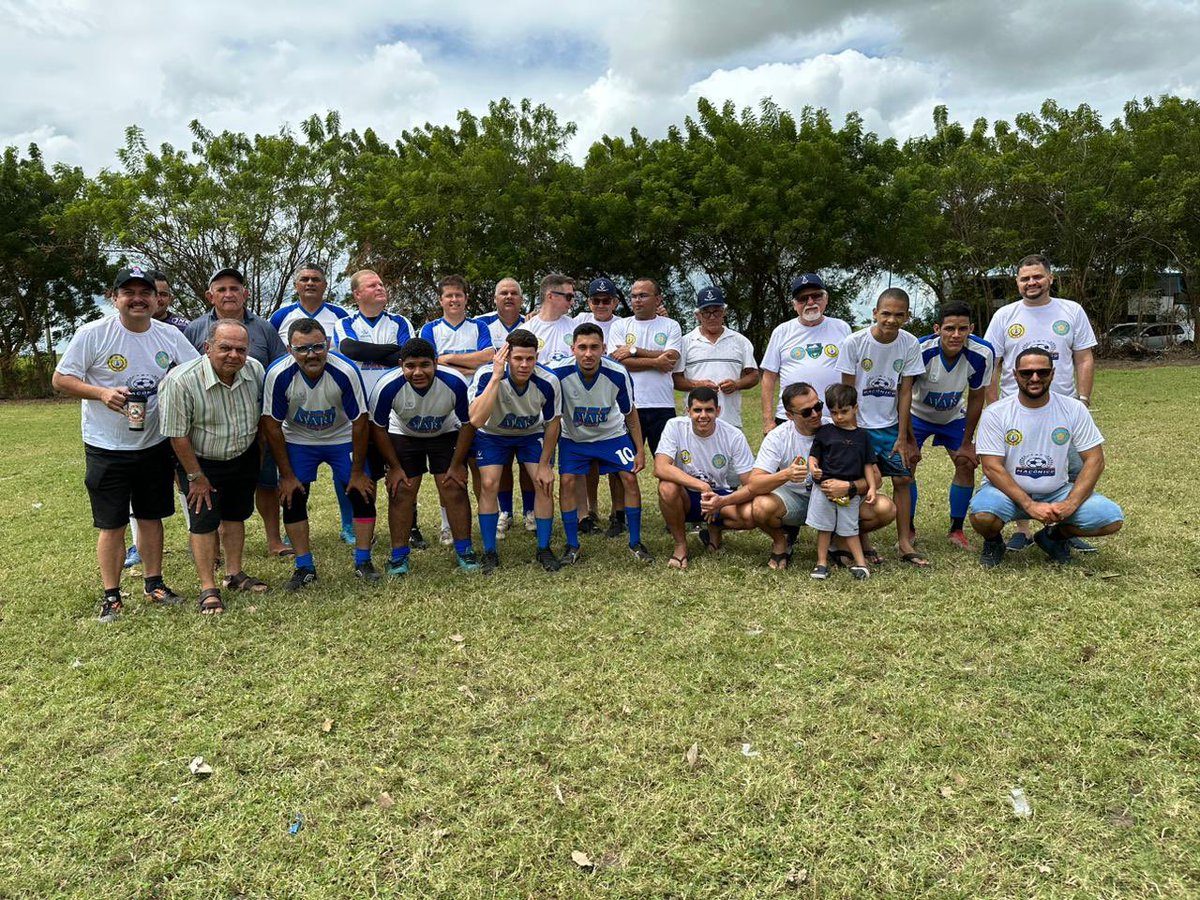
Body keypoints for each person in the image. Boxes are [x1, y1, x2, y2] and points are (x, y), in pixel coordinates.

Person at [52, 265, 200, 622]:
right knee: (112, 523)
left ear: (156, 299)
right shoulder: (93, 333)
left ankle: (154, 584)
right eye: (129, 293)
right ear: (114, 298)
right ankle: (112, 596)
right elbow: (61, 379)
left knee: (151, 517)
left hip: (154, 443)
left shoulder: (168, 335)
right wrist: (101, 393)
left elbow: (195, 371)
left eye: (145, 293)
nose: (138, 299)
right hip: (106, 446)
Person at [984, 253, 1099, 553]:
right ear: (1017, 282)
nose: (1031, 282)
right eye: (1025, 278)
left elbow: (1084, 358)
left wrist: (1082, 400)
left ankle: (1061, 529)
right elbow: (991, 363)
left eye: (1037, 276)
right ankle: (1022, 530)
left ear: (1050, 278)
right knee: (1016, 471)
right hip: (1016, 411)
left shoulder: (1071, 311)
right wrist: (994, 405)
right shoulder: (1005, 316)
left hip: (1064, 410)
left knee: (1074, 470)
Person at [969, 348, 1123, 567]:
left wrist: (1070, 503)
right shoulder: (996, 413)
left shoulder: (1074, 409)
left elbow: (1095, 460)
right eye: (1026, 373)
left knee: (1109, 519)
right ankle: (994, 542)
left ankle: (1053, 537)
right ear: (1015, 375)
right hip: (1007, 493)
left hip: (1057, 492)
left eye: (1042, 372)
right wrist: (1029, 505)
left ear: (1052, 373)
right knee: (983, 515)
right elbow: (992, 467)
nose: (1034, 378)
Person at [158, 319, 268, 613]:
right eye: (225, 348)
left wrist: (255, 458)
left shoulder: (255, 370)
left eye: (241, 349)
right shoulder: (180, 381)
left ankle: (234, 574)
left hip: (242, 455)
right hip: (200, 461)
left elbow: (261, 417)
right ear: (207, 348)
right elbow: (177, 435)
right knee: (204, 522)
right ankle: (208, 587)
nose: (234, 355)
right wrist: (195, 476)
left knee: (235, 515)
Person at [261, 320, 376, 590]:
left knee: (362, 492)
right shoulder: (277, 374)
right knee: (292, 497)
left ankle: (363, 562)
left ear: (328, 345)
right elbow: (271, 425)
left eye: (317, 347)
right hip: (299, 438)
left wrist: (357, 473)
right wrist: (287, 476)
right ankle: (304, 566)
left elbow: (360, 422)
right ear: (289, 350)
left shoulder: (345, 370)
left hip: (341, 436)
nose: (311, 355)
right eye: (302, 349)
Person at [184, 267, 290, 557]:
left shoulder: (264, 328)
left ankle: (274, 540)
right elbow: (183, 372)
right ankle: (214, 548)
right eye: (221, 289)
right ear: (210, 296)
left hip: (256, 421)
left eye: (234, 288)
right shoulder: (195, 329)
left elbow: (280, 368)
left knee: (266, 482)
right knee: (213, 487)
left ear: (246, 293)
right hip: (209, 424)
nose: (228, 294)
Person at [447, 330, 562, 574]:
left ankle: (543, 548)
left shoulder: (549, 380)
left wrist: (545, 465)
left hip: (530, 434)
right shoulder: (486, 374)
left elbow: (553, 423)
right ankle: (490, 551)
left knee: (543, 482)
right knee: (489, 484)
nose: (524, 365)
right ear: (506, 357)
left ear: (537, 357)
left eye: (530, 359)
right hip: (492, 434)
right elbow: (475, 420)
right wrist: (496, 377)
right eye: (518, 358)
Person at [749, 382, 896, 570]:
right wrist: (786, 474)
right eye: (806, 412)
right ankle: (781, 541)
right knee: (761, 506)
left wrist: (849, 487)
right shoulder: (778, 437)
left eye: (818, 406)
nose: (815, 414)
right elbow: (754, 484)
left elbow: (876, 478)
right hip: (796, 500)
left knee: (885, 508)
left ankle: (839, 540)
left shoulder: (838, 426)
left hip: (838, 500)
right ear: (789, 415)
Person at [332, 269, 429, 550]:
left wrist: (376, 352)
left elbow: (406, 356)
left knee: (404, 472)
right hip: (361, 412)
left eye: (381, 284)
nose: (380, 288)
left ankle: (411, 526)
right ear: (357, 294)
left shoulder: (400, 321)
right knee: (366, 473)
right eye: (372, 285)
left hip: (397, 410)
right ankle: (365, 528)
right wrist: (390, 352)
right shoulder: (344, 323)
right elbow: (350, 350)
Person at [367, 338, 481, 575]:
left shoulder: (455, 382)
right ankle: (399, 556)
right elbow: (377, 427)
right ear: (401, 365)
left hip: (445, 432)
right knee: (401, 490)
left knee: (453, 487)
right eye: (410, 366)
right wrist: (394, 467)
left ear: (436, 363)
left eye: (425, 365)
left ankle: (464, 550)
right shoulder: (386, 385)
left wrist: (457, 464)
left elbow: (468, 423)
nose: (418, 372)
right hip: (404, 433)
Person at [268, 262, 357, 545]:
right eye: (304, 279)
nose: (310, 283)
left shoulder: (340, 315)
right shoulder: (281, 315)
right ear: (296, 285)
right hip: (297, 399)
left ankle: (349, 525)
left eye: (316, 279)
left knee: (345, 475)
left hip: (333, 398)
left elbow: (349, 351)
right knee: (295, 478)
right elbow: (274, 352)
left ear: (325, 285)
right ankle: (292, 528)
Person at [837, 288, 927, 566]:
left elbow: (905, 392)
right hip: (860, 426)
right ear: (874, 313)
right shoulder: (854, 342)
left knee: (903, 479)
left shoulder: (910, 344)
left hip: (889, 426)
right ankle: (863, 542)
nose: (891, 320)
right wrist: (853, 435)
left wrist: (903, 436)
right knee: (865, 483)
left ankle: (904, 542)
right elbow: (847, 393)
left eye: (899, 315)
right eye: (885, 313)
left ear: (907, 316)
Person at [550, 323, 654, 565]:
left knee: (629, 478)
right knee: (566, 481)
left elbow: (630, 413)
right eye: (582, 347)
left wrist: (640, 450)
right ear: (572, 349)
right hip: (574, 438)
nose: (588, 353)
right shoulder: (557, 372)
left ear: (603, 348)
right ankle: (572, 544)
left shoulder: (618, 373)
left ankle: (635, 542)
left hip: (612, 435)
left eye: (594, 347)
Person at [909, 301, 995, 549]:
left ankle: (956, 530)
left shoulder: (982, 353)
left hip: (954, 416)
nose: (956, 335)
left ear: (971, 328)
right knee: (906, 465)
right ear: (937, 329)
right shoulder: (920, 349)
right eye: (949, 328)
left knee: (966, 463)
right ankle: (908, 528)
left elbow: (977, 396)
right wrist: (907, 439)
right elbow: (903, 392)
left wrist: (968, 442)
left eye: (962, 328)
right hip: (917, 415)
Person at [654, 387, 757, 569]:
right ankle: (680, 545)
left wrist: (722, 501)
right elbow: (660, 467)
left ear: (718, 411)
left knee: (751, 514)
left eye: (709, 410)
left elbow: (750, 483)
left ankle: (715, 527)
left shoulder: (733, 435)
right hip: (687, 496)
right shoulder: (675, 426)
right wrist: (701, 486)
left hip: (719, 495)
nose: (703, 415)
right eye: (697, 410)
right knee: (667, 487)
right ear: (688, 411)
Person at [475, 277, 537, 537]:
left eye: (514, 293)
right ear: (495, 298)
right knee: (500, 462)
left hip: (526, 397)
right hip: (491, 395)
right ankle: (505, 512)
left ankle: (530, 511)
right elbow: (480, 359)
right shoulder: (480, 324)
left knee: (527, 463)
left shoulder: (533, 322)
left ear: (522, 299)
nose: (509, 296)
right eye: (503, 293)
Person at [760, 273, 852, 434]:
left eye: (816, 296)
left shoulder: (842, 328)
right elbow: (768, 378)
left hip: (834, 417)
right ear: (794, 305)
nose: (810, 302)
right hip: (792, 419)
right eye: (802, 299)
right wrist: (768, 420)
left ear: (826, 298)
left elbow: (851, 374)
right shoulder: (782, 331)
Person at [572, 276, 628, 538]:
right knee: (589, 464)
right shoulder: (579, 321)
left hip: (616, 396)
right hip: (585, 398)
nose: (602, 304)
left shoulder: (624, 324)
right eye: (596, 300)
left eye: (607, 300)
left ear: (615, 302)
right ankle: (591, 509)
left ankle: (618, 513)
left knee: (617, 465)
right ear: (589, 302)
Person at [806, 383, 880, 580]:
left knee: (850, 528)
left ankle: (861, 564)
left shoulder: (863, 436)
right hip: (825, 489)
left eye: (844, 411)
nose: (839, 417)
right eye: (834, 412)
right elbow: (813, 456)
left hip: (850, 492)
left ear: (855, 408)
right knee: (824, 528)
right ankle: (821, 563)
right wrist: (813, 467)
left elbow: (868, 465)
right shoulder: (825, 432)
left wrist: (872, 487)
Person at [609, 277, 682, 455]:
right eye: (634, 296)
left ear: (657, 299)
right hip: (629, 406)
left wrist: (633, 350)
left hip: (662, 405)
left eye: (643, 295)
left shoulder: (671, 325)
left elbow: (671, 357)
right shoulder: (620, 326)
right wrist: (656, 362)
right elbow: (619, 362)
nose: (637, 300)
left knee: (667, 462)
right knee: (626, 465)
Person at [672, 286, 759, 429]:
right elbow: (676, 379)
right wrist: (697, 385)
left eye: (717, 311)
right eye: (706, 312)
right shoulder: (685, 342)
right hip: (695, 422)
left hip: (730, 422)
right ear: (697, 315)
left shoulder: (740, 341)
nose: (712, 317)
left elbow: (754, 376)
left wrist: (736, 384)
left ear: (724, 312)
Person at [419, 274, 495, 380]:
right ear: (441, 300)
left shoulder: (479, 326)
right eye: (449, 296)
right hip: (443, 387)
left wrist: (448, 358)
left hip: (475, 388)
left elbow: (488, 356)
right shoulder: (429, 329)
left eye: (458, 295)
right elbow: (431, 364)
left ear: (466, 299)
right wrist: (471, 370)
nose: (454, 299)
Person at [524, 273, 579, 366]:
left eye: (573, 297)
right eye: (569, 297)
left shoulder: (576, 328)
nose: (572, 302)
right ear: (550, 296)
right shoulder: (527, 330)